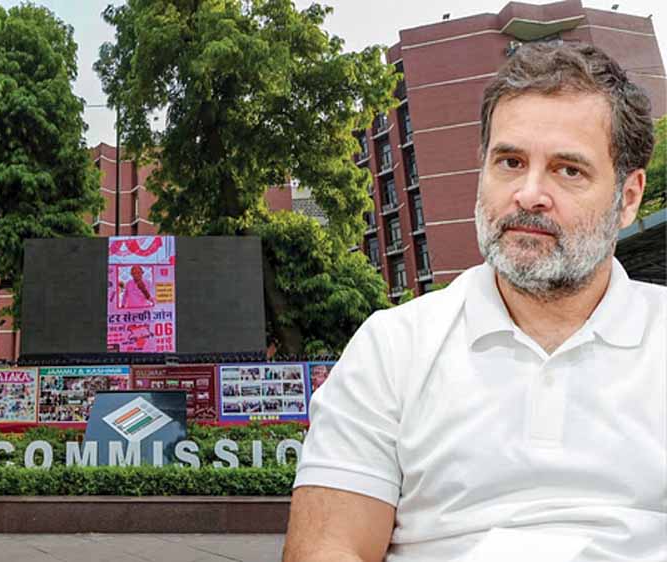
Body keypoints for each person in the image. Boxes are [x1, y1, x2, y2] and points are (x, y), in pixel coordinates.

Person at [283, 41, 664, 562]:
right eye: (510, 162)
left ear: (628, 197)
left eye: (568, 170)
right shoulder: (391, 349)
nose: (529, 194)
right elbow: (327, 547)